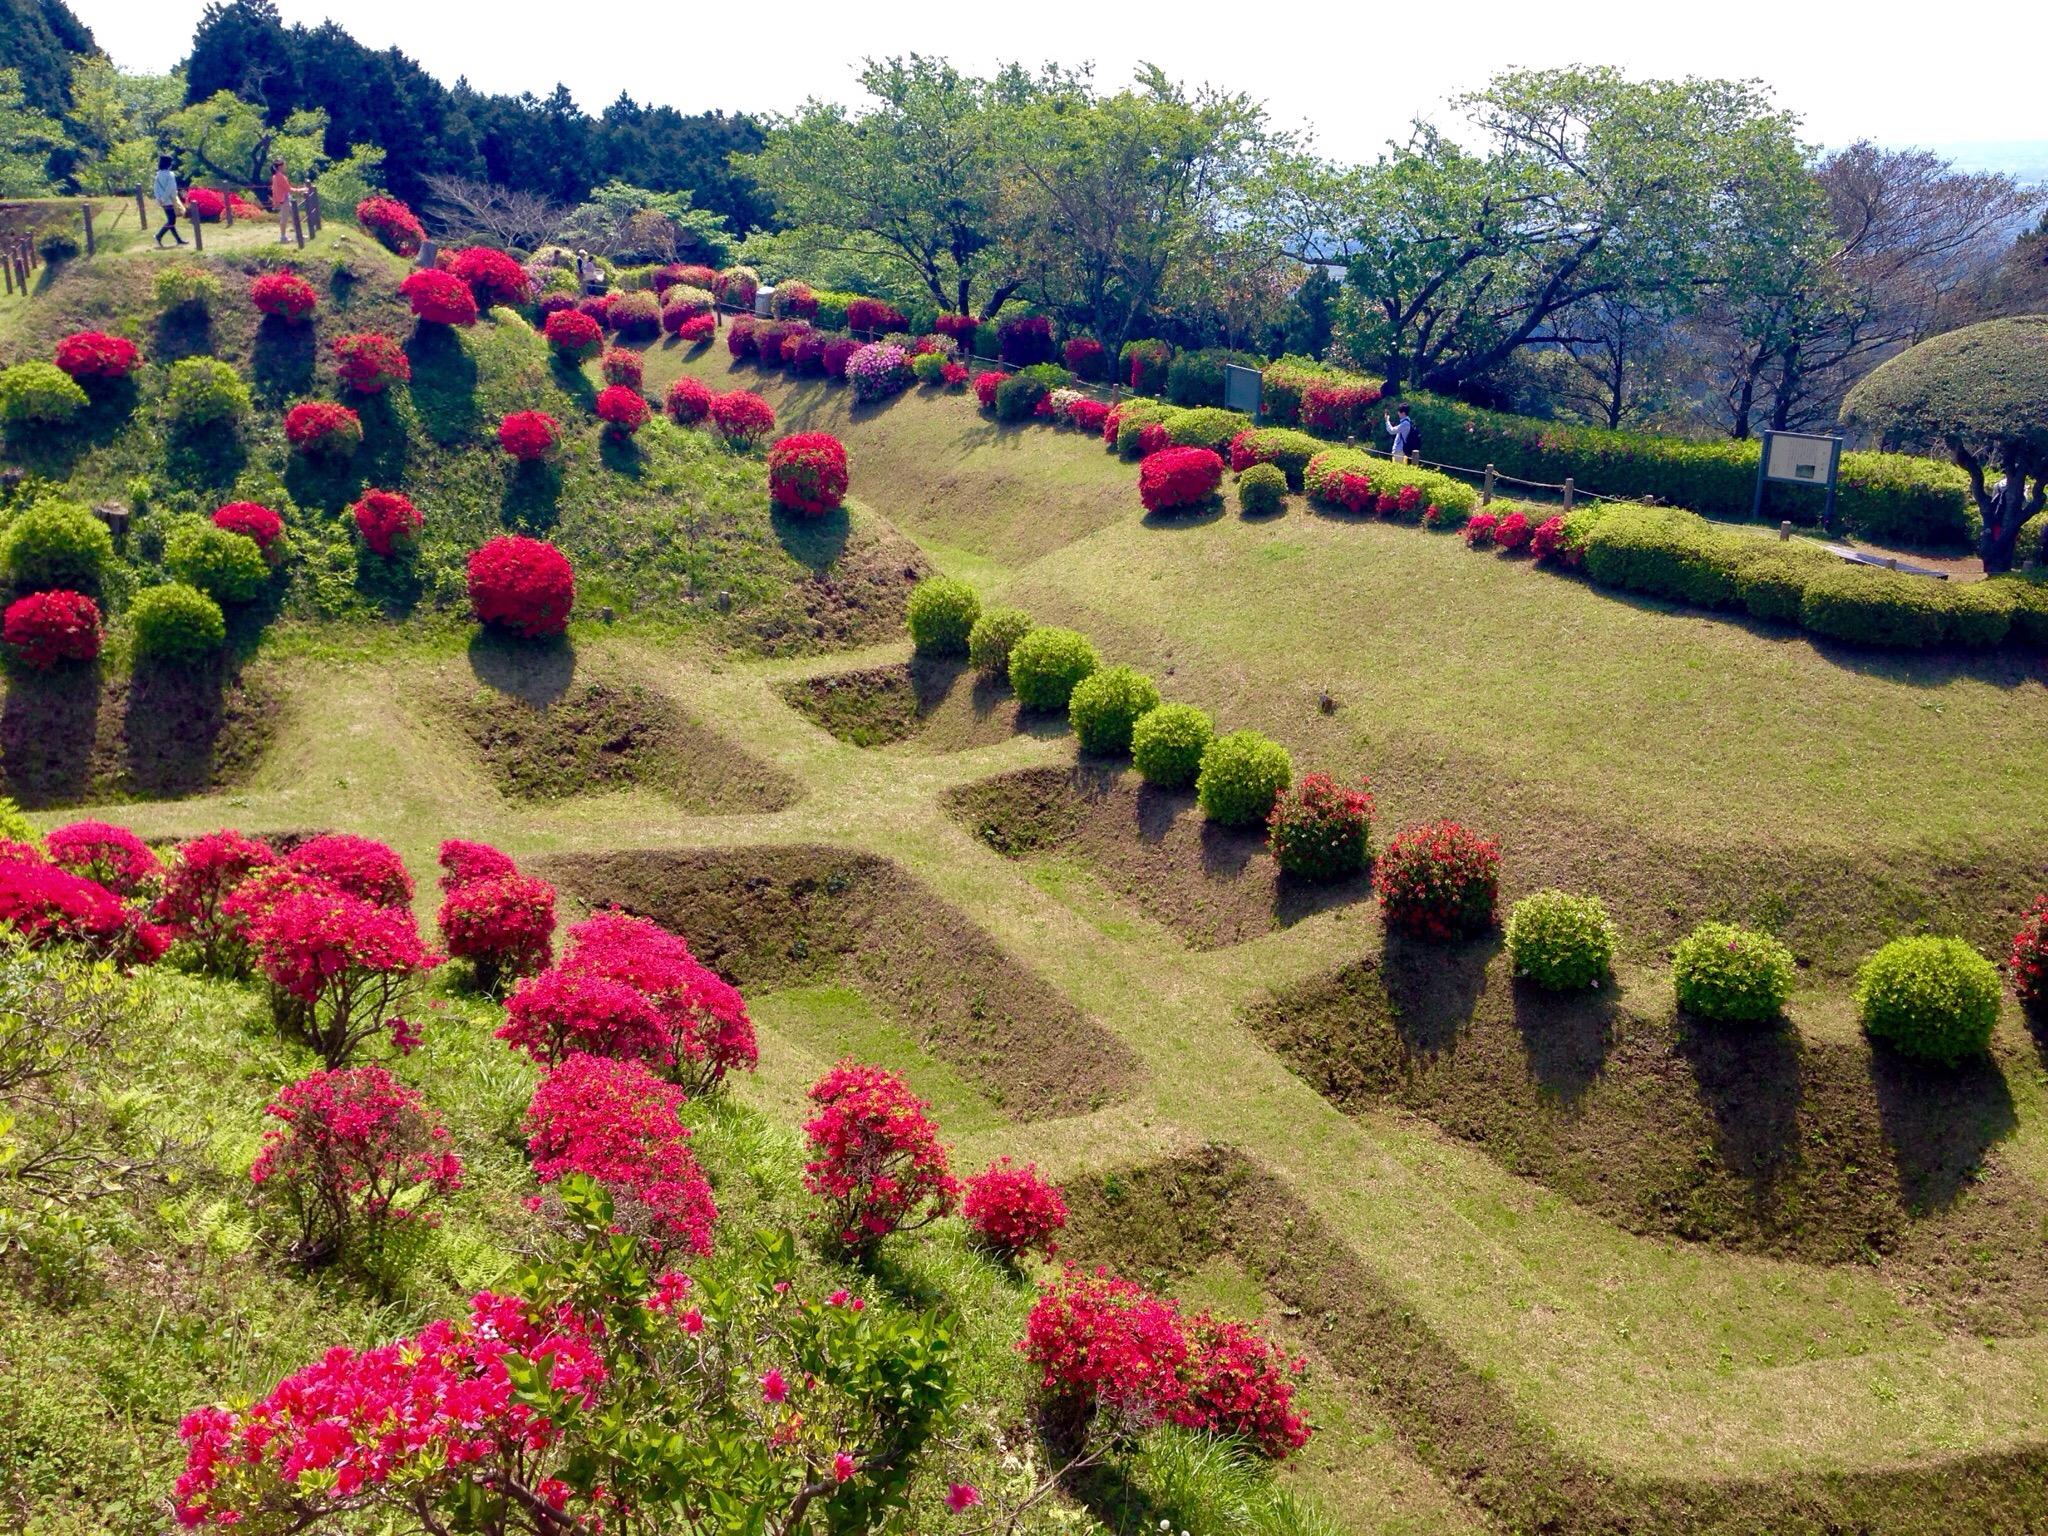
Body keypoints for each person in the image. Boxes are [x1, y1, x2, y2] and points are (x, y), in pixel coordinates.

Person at [152, 154, 185, 247]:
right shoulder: (170, 174)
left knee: (171, 220)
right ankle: (158, 236)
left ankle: (178, 240)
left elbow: (156, 188)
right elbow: (170, 188)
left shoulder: (158, 175)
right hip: (169, 200)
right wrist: (164, 198)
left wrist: (159, 199)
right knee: (171, 221)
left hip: (163, 201)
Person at [269, 160, 305, 243]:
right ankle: (283, 238)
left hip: (285, 198)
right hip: (284, 200)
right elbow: (289, 189)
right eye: (284, 165)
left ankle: (298, 235)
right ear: (280, 167)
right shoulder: (279, 177)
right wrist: (301, 190)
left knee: (294, 216)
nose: (286, 167)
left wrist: (275, 200)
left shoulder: (276, 176)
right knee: (284, 219)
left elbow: (275, 190)